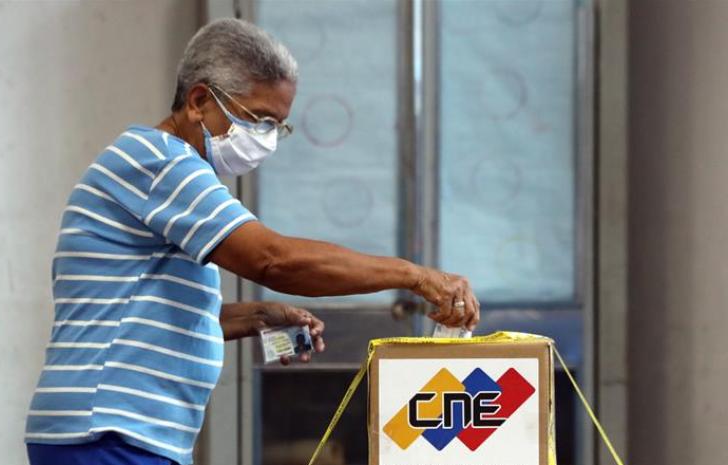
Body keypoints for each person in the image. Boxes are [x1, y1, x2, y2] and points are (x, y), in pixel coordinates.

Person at [24, 18, 480, 465]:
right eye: (258, 119)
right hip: (107, 432)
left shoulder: (162, 171)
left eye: (277, 127)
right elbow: (272, 260)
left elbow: (141, 311)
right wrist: (414, 276)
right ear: (199, 100)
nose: (265, 140)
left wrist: (257, 316)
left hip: (114, 432)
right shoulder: (162, 163)